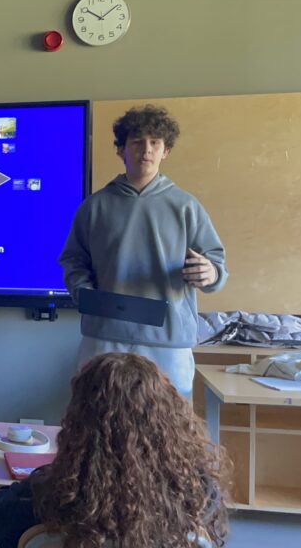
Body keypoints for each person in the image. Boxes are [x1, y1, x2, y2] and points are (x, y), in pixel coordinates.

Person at [58, 105, 228, 397]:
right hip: (105, 336)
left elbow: (215, 264)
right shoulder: (94, 207)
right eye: (137, 142)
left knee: (168, 420)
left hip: (168, 340)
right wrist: (84, 294)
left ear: (165, 151)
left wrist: (210, 273)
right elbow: (73, 260)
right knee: (98, 414)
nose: (146, 149)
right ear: (121, 150)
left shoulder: (186, 207)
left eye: (155, 143)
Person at [0, 352, 231, 548]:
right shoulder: (199, 493)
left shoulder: (49, 495)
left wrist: (50, 473)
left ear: (78, 422)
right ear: (169, 419)